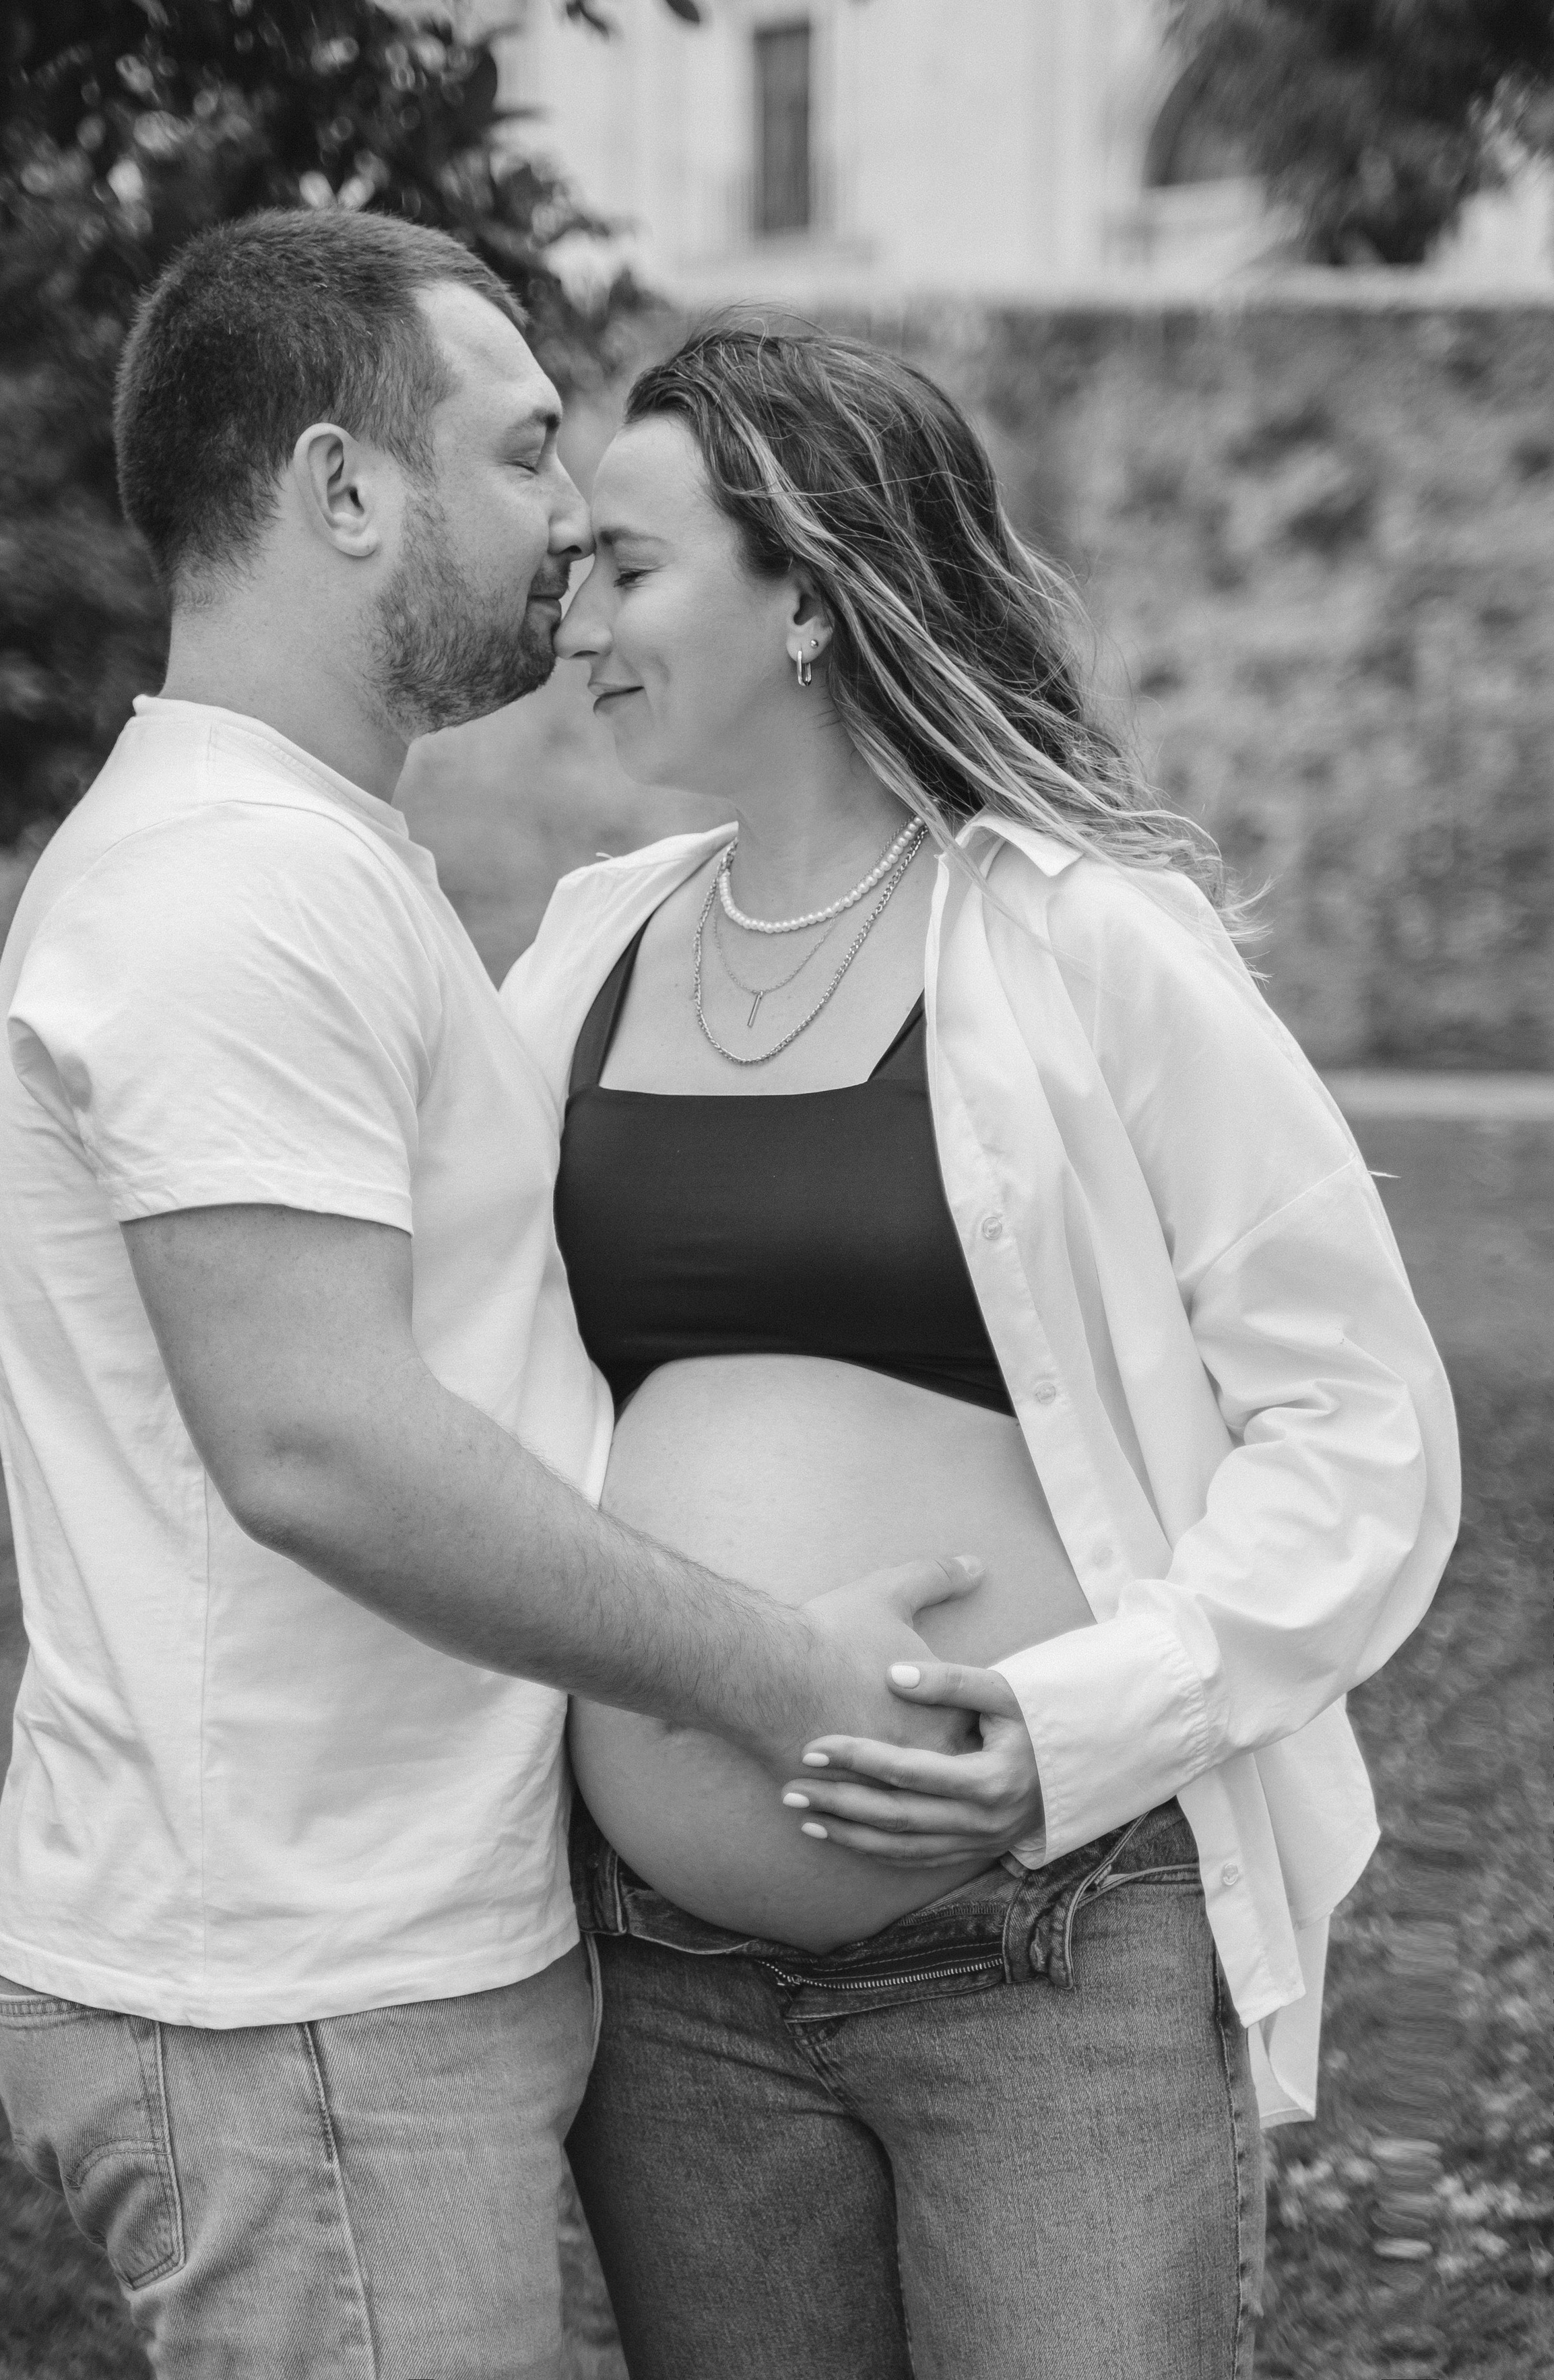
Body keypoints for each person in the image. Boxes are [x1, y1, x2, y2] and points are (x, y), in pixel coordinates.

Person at [0, 218, 981, 2380]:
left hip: (353, 1966)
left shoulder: (319, 859)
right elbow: (316, 1440)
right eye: (525, 456)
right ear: (345, 489)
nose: (572, 529)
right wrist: (771, 1666)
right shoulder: (231, 892)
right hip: (292, 1985)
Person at [502, 323, 1462, 2380]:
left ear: (817, 598)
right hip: (665, 1980)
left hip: (1046, 1941)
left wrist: (1076, 1726)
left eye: (629, 567)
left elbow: (1357, 1424)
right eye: (574, 561)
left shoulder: (1083, 943)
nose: (570, 615)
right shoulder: (584, 949)